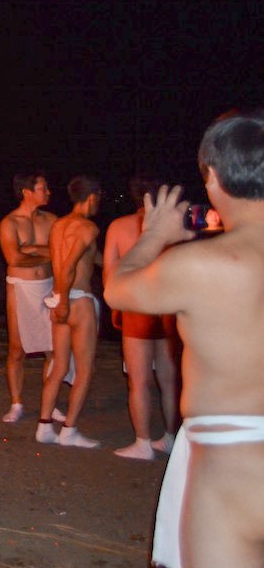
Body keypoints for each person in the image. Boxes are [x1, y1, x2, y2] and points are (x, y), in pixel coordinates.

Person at [105, 111, 264, 568]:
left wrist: (155, 235)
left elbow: (119, 288)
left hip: (230, 467)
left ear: (213, 179)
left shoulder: (202, 264)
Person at [103, 175, 180, 460]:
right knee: (169, 378)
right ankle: (171, 436)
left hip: (136, 305)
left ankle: (143, 442)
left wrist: (114, 307)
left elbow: (110, 271)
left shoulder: (120, 226)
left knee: (139, 380)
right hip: (167, 305)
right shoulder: (171, 227)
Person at [36, 175, 104, 447]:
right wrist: (64, 299)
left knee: (59, 365)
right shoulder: (88, 227)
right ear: (91, 197)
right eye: (99, 197)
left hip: (59, 297)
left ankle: (44, 427)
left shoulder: (58, 225)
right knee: (85, 370)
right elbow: (69, 266)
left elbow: (84, 259)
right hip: (76, 301)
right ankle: (69, 430)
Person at [0, 172, 66, 423]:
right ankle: (16, 403)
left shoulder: (52, 220)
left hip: (48, 285)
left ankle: (51, 401)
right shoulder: (10, 223)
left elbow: (62, 253)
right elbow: (14, 259)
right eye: (43, 188)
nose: (48, 192)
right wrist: (46, 253)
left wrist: (32, 250)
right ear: (27, 191)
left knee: (53, 348)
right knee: (17, 349)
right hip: (20, 287)